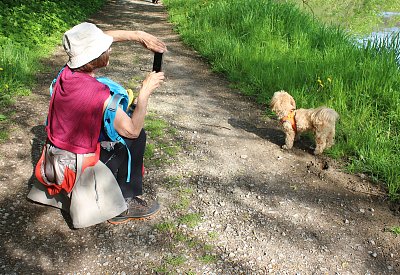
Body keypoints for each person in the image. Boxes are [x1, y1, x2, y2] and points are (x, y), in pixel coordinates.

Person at [27, 22, 166, 228]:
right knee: (136, 137)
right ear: (98, 56)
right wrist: (145, 91)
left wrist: (138, 35)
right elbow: (133, 130)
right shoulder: (97, 93)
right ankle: (125, 202)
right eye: (106, 47)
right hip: (79, 166)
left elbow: (100, 38)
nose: (110, 47)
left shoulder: (66, 73)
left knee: (114, 127)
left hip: (55, 158)